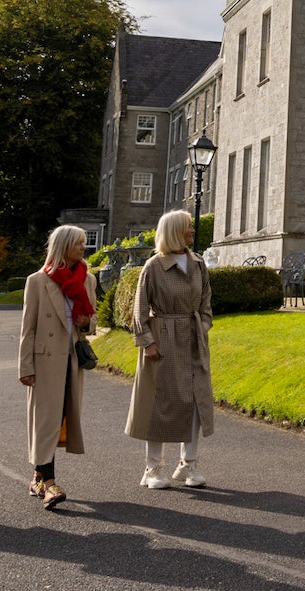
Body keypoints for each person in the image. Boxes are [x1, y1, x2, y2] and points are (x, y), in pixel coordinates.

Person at [124, 209, 215, 489]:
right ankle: (152, 469)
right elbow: (139, 309)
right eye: (188, 227)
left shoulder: (198, 264)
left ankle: (188, 464)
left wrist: (204, 325)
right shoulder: (153, 266)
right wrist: (148, 341)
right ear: (175, 230)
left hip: (193, 339)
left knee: (196, 400)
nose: (192, 231)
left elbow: (206, 303)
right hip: (162, 340)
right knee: (159, 404)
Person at [19, 224, 97, 509]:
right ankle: (50, 484)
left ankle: (38, 476)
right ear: (63, 246)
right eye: (77, 243)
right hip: (43, 362)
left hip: (71, 360)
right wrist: (25, 366)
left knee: (61, 419)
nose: (83, 248)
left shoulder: (87, 279)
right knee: (45, 421)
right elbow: (28, 328)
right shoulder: (37, 281)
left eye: (83, 243)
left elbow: (93, 321)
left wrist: (85, 322)